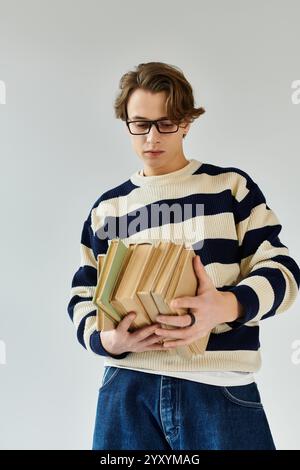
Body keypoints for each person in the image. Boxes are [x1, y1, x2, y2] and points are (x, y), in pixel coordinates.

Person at [67, 61, 300, 450]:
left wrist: (224, 306)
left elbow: (284, 273)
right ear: (126, 123)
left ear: (187, 122)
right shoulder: (108, 209)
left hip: (218, 388)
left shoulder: (230, 189)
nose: (151, 138)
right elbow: (81, 297)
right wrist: (108, 340)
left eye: (166, 123)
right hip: (126, 392)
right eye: (140, 124)